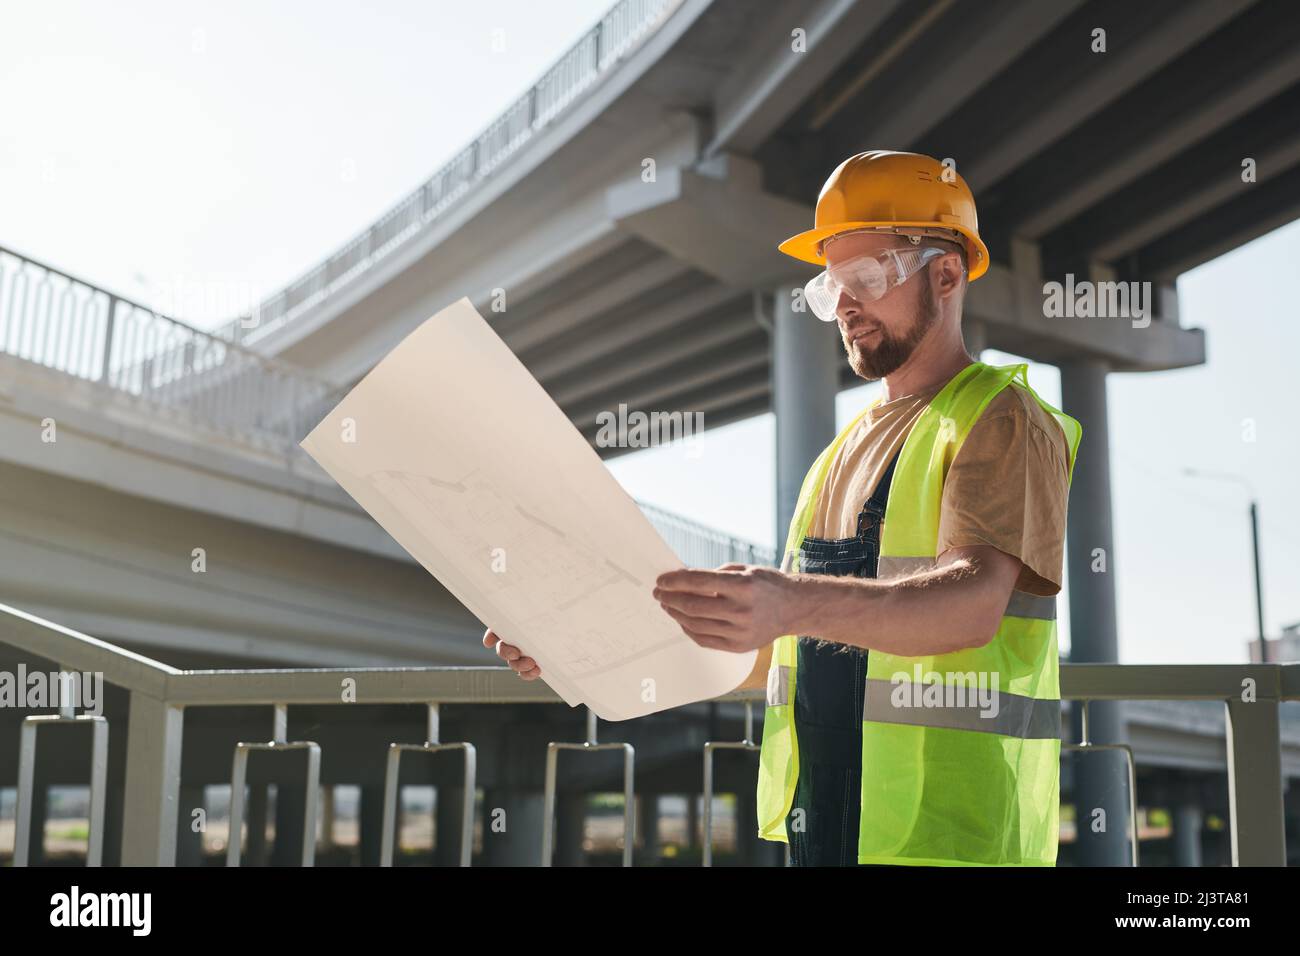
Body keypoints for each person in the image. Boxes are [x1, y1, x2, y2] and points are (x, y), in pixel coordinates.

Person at [486, 149, 1079, 867]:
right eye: (833, 288)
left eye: (866, 277)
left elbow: (972, 605)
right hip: (827, 828)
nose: (847, 305)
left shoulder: (1002, 417)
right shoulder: (842, 451)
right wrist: (580, 645)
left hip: (950, 842)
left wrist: (789, 599)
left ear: (946, 273)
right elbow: (778, 650)